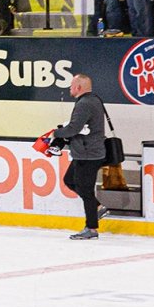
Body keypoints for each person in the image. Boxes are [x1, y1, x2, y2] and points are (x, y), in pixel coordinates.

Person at [44, 73, 109, 240]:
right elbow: (80, 126)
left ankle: (92, 228)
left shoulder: (85, 103)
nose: (69, 88)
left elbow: (74, 128)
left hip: (88, 154)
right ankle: (98, 207)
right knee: (70, 180)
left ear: (78, 87)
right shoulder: (92, 100)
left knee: (85, 190)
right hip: (86, 152)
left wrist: (56, 133)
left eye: (71, 85)